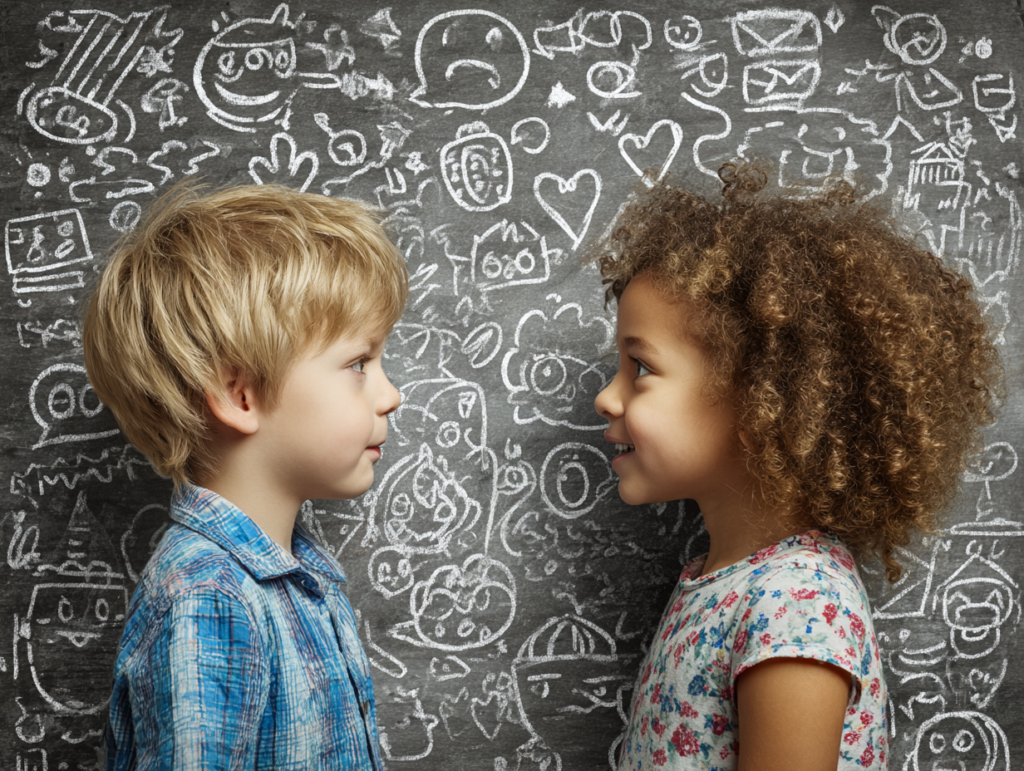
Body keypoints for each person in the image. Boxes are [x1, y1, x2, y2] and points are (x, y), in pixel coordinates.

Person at [591, 163, 1001, 771]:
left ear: (762, 401)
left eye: (641, 369)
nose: (607, 397)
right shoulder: (724, 582)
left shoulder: (796, 606)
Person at [83, 182, 408, 770]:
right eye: (359, 363)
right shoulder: (209, 602)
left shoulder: (299, 576)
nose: (391, 394)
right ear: (240, 395)